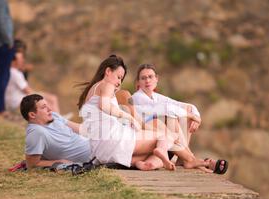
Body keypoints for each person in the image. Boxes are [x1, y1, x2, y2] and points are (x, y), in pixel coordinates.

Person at [78, 55, 219, 172]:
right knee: (167, 136)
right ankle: (190, 160)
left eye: (121, 79)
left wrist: (193, 114)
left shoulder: (92, 90)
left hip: (101, 149)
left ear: (156, 79)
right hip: (114, 141)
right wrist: (126, 116)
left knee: (156, 147)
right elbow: (104, 105)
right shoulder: (106, 84)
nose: (119, 82)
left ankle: (148, 163)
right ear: (108, 71)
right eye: (118, 76)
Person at [132, 64, 201, 148]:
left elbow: (182, 105)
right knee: (171, 118)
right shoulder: (137, 97)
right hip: (144, 134)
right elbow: (166, 108)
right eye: (143, 78)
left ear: (156, 79)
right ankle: (187, 155)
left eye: (150, 77)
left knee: (187, 110)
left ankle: (183, 157)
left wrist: (196, 115)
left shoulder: (156, 96)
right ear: (138, 82)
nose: (147, 80)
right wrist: (193, 116)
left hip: (160, 133)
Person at [20, 94, 91, 169]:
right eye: (44, 107)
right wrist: (56, 162)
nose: (49, 109)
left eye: (47, 105)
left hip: (95, 143)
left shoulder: (53, 116)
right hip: (94, 154)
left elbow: (79, 128)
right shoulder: (36, 132)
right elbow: (32, 164)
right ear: (32, 115)